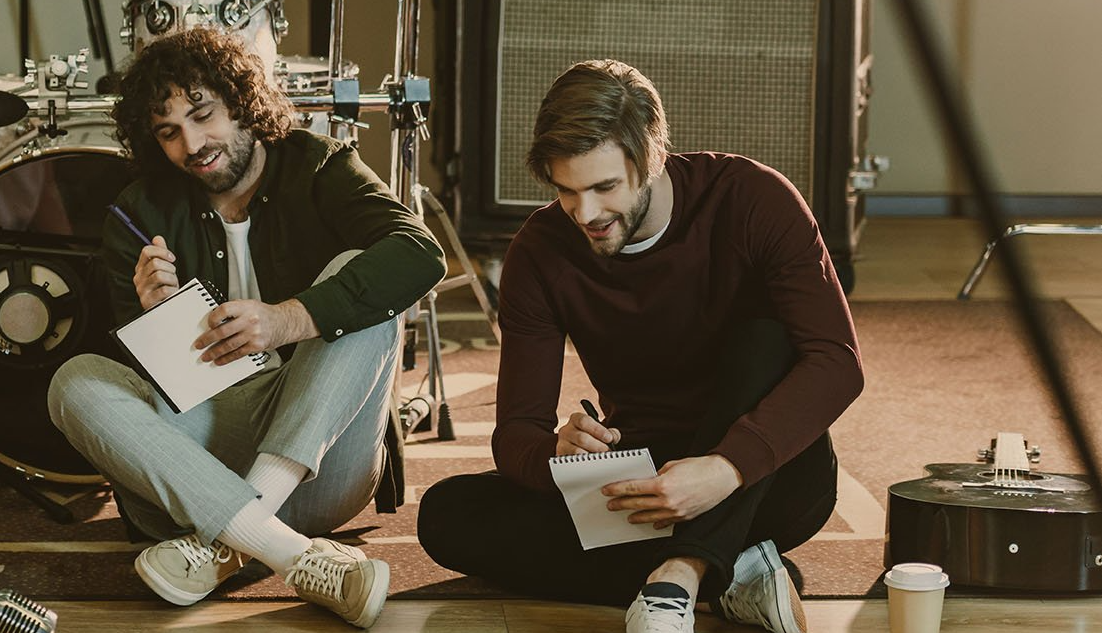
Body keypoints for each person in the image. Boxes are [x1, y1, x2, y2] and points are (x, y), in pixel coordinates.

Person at [415, 59, 863, 633]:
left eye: (605, 187)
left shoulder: (753, 199)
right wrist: (557, 453)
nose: (587, 214)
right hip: (643, 484)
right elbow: (515, 433)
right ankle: (731, 575)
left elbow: (837, 362)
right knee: (448, 515)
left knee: (768, 334)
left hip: (768, 479)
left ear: (652, 158)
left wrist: (724, 469)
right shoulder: (540, 252)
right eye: (567, 191)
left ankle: (678, 576)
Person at [46, 28, 445, 628]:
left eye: (203, 115)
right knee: (74, 381)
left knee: (359, 280)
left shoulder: (320, 166)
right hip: (203, 455)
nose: (192, 144)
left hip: (321, 458)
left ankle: (227, 539)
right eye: (168, 131)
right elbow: (148, 400)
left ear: (242, 102)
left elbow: (420, 254)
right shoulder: (140, 210)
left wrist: (290, 318)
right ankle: (288, 552)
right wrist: (152, 316)